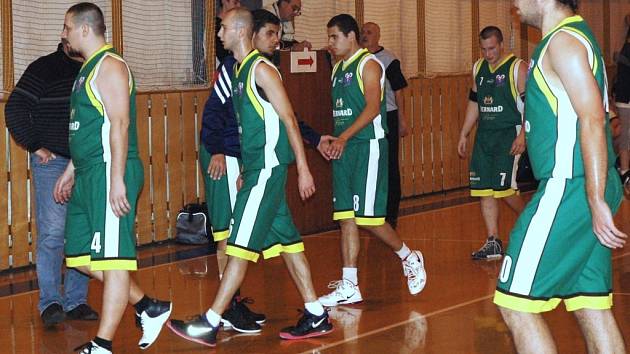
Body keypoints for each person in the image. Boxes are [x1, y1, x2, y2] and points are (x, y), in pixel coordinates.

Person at [167, 8, 333, 347]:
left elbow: (288, 119)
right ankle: (316, 313)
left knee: (238, 247)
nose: (219, 33)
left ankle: (211, 321)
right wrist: (244, 168)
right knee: (288, 244)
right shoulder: (240, 71)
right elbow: (250, 129)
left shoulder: (261, 69)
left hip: (268, 171)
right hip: (256, 170)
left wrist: (302, 168)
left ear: (241, 32)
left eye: (224, 27)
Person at [495, 1, 627, 352]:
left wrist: (595, 198)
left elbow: (594, 119)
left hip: (570, 187)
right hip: (585, 183)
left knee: (514, 303)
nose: (513, 3)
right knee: (590, 304)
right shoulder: (568, 37)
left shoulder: (563, 42)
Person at [53, 3, 172, 353]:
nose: (64, 33)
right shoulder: (86, 70)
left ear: (85, 30)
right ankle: (149, 307)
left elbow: (120, 124)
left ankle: (102, 344)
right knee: (80, 257)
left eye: (67, 27)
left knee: (113, 259)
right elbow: (94, 127)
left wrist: (117, 179)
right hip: (88, 171)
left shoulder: (111, 66)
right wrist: (71, 169)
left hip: (109, 171)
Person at [318, 14, 426, 308]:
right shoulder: (337, 68)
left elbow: (372, 109)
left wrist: (345, 137)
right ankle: (350, 284)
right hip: (346, 148)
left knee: (370, 219)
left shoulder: (369, 65)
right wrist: (334, 137)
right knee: (346, 218)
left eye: (334, 37)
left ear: (350, 36)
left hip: (368, 146)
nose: (329, 43)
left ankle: (409, 256)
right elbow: (344, 112)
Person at [5, 42, 99, 327]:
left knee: (82, 234)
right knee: (53, 234)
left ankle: (76, 300)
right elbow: (15, 108)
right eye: (65, 30)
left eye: (69, 29)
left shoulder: (94, 69)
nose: (65, 35)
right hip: (53, 163)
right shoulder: (44, 68)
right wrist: (35, 145)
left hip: (87, 163)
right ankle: (50, 303)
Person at [457, 26, 526, 260]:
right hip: (485, 136)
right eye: (484, 49)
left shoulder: (517, 67)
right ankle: (493, 241)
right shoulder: (478, 68)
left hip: (509, 134)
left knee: (505, 190)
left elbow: (531, 106)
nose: (488, 54)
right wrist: (464, 133)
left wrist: (523, 135)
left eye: (492, 48)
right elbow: (474, 103)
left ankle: (531, 223)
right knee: (484, 189)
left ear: (501, 44)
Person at [360, 21, 409, 228]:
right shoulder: (359, 59)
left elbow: (399, 91)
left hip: (387, 116)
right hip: (364, 118)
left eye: (369, 32)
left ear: (378, 36)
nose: (365, 35)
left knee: (389, 166)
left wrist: (402, 119)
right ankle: (371, 210)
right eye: (362, 32)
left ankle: (391, 214)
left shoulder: (388, 59)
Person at [613, 15, 630, 187]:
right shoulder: (624, 48)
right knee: (625, 134)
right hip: (625, 97)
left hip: (624, 95)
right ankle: (624, 170)